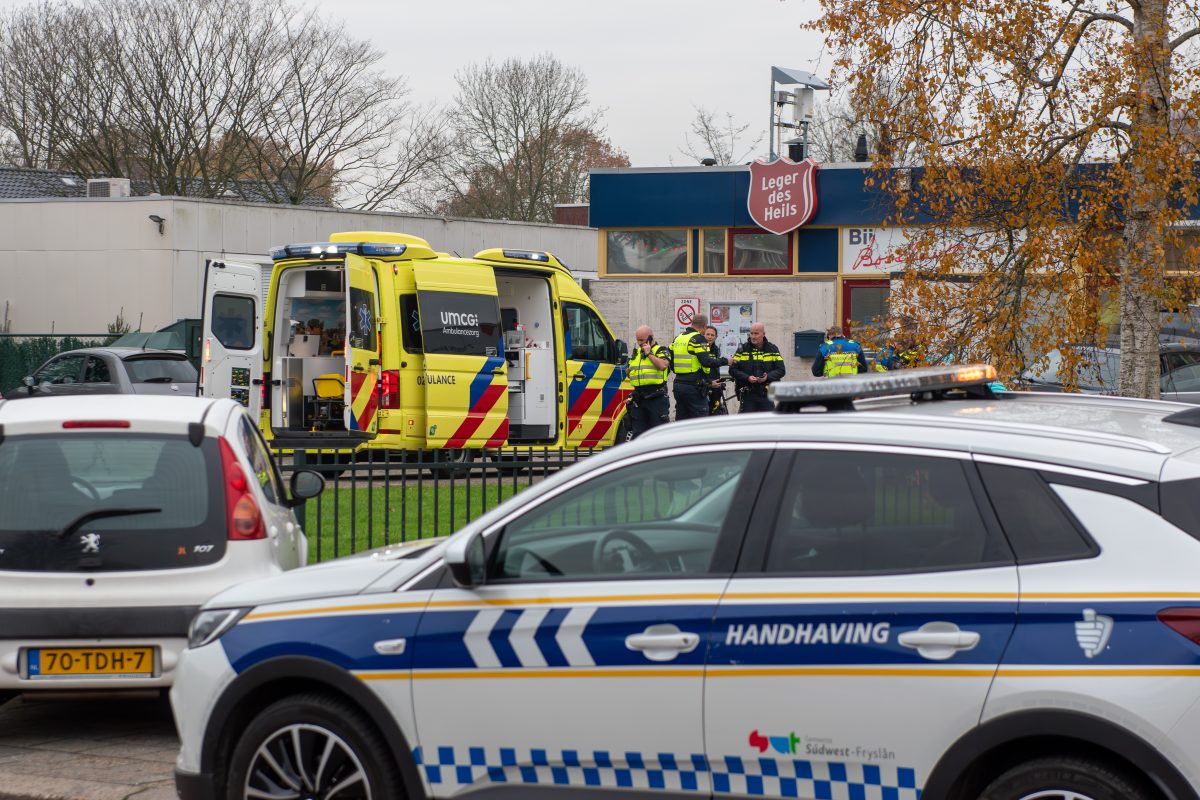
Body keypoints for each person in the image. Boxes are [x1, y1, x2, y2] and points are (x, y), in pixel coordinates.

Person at [669, 313, 727, 420]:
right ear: (704, 326)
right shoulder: (699, 339)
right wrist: (726, 361)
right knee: (699, 421)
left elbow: (670, 361)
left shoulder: (678, 338)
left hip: (678, 384)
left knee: (682, 421)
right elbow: (707, 361)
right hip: (693, 386)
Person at [730, 322, 787, 412]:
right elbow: (732, 370)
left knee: (768, 424)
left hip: (766, 395)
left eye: (756, 333)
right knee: (747, 424)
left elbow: (781, 370)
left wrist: (767, 377)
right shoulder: (742, 349)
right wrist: (747, 377)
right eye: (751, 333)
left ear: (763, 334)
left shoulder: (772, 349)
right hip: (748, 395)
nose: (753, 336)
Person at [626, 325, 671, 438]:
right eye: (638, 340)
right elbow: (630, 372)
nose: (640, 343)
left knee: (658, 433)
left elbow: (663, 365)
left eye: (642, 340)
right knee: (638, 434)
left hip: (656, 398)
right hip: (639, 398)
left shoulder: (661, 350)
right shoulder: (637, 353)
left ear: (650, 338)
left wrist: (649, 354)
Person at [703, 325, 728, 415]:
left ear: (716, 337)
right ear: (703, 335)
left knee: (715, 411)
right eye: (707, 334)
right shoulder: (700, 349)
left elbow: (716, 366)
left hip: (715, 385)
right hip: (704, 384)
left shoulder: (716, 349)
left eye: (712, 335)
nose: (710, 337)